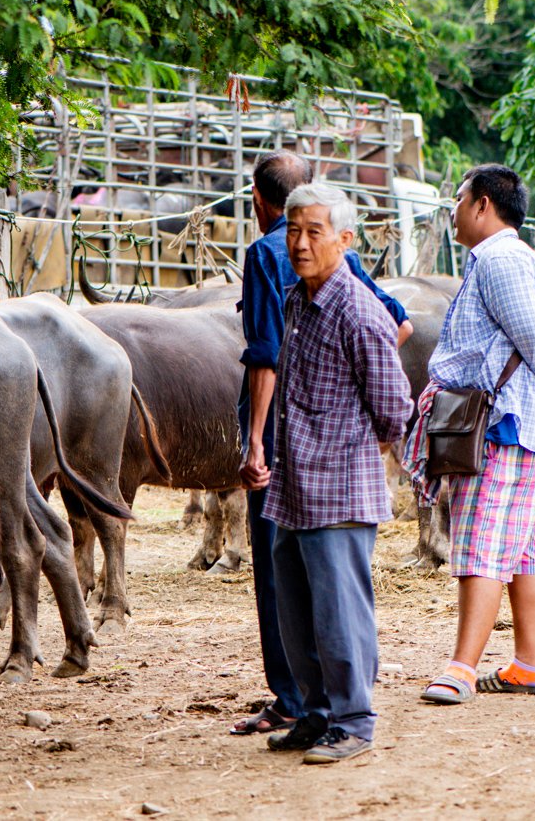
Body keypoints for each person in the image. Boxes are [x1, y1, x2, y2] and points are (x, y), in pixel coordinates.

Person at [232, 150, 410, 739]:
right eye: (295, 232)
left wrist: (356, 451)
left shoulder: (358, 311)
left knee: (338, 610)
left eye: (315, 233)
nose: (300, 244)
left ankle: (354, 721)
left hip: (338, 483)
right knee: (295, 609)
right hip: (292, 481)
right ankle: (313, 713)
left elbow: (394, 409)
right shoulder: (297, 301)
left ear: (344, 240)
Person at [415, 163, 535, 705]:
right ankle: (528, 665)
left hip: (506, 425)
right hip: (523, 426)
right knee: (526, 550)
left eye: (460, 199)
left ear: (483, 204)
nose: (454, 211)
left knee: (483, 543)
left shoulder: (500, 257)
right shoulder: (514, 258)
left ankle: (462, 668)